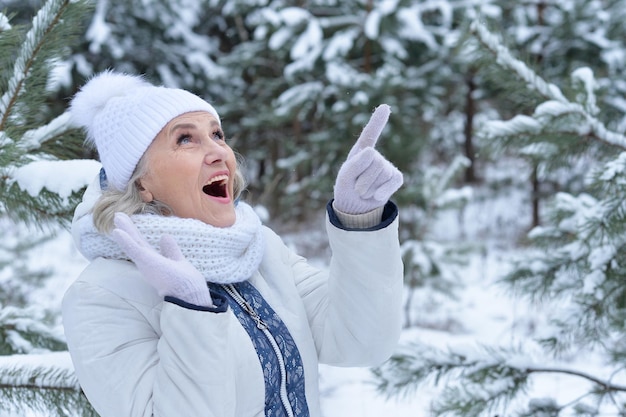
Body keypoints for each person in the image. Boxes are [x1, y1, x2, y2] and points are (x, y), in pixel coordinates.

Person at [62, 70, 404, 417]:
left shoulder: (258, 249)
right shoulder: (99, 296)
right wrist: (189, 308)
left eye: (217, 134)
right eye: (185, 139)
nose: (219, 153)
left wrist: (360, 221)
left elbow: (360, 342)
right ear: (141, 185)